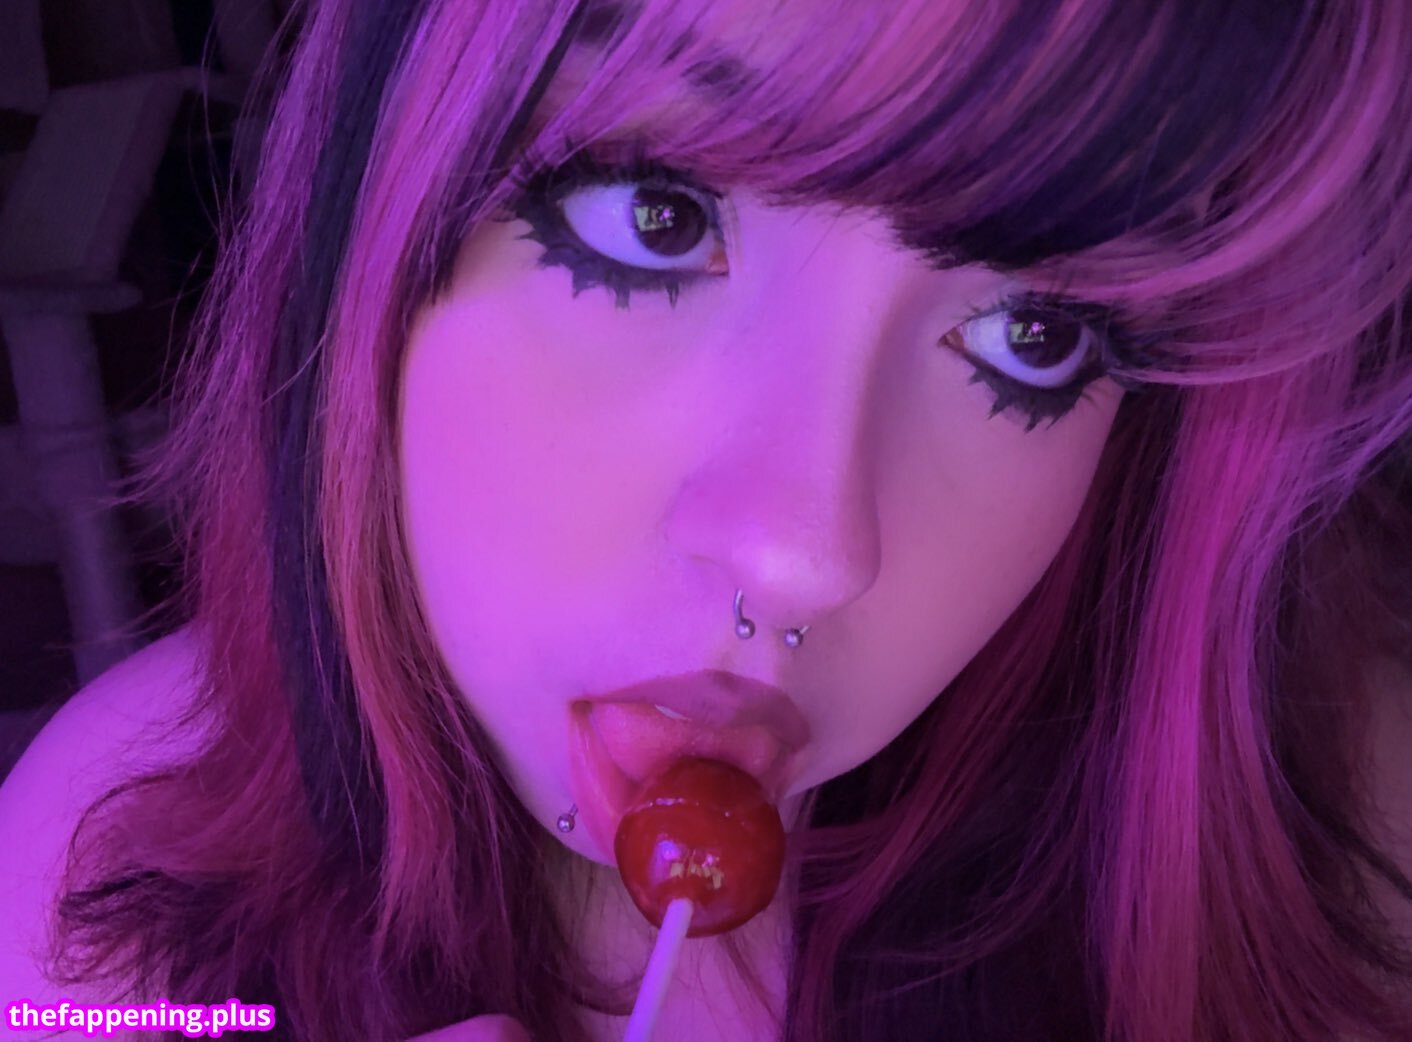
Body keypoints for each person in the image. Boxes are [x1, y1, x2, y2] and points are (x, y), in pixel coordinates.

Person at [3, 0, 1411, 1039]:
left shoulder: (1332, 842)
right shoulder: (103, 880)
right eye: (655, 218)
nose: (806, 556)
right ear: (379, 191)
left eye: (1035, 336)